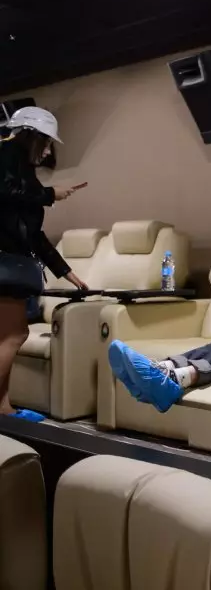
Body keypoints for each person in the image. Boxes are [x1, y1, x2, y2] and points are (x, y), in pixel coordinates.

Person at [0, 106, 87, 422]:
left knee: (6, 336)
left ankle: (3, 408)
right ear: (32, 135)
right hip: (5, 262)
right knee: (14, 334)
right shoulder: (7, 154)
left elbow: (33, 235)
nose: (48, 151)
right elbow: (5, 191)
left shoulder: (19, 165)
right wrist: (50, 193)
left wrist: (66, 272)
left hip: (9, 259)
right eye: (47, 142)